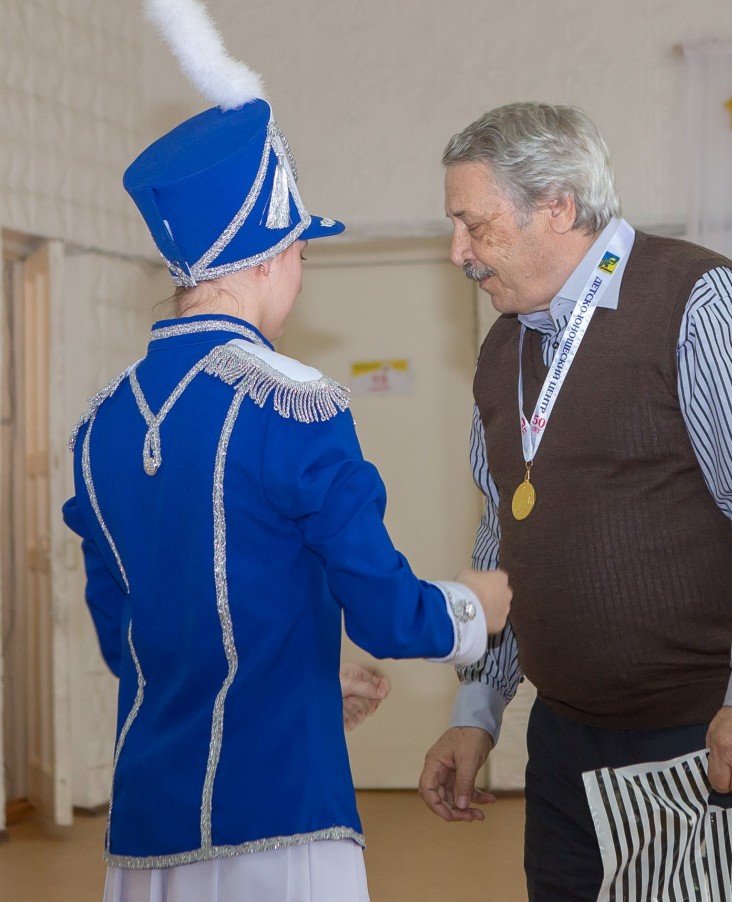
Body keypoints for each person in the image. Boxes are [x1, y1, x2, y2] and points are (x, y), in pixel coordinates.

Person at [61, 8, 510, 900]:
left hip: (147, 828)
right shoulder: (293, 403)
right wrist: (476, 608)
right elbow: (386, 614)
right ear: (270, 255)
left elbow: (132, 642)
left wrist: (300, 677)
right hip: (279, 815)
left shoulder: (100, 425)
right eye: (300, 245)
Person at [417, 102, 732, 900]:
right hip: (569, 749)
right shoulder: (503, 349)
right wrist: (477, 706)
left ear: (557, 206)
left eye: (475, 225)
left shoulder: (699, 301)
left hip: (715, 735)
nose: (459, 253)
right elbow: (502, 537)